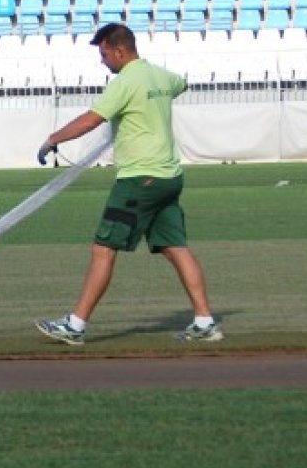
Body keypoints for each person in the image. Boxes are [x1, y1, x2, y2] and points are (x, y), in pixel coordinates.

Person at [33, 23, 221, 346]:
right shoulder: (161, 75)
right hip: (169, 178)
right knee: (176, 248)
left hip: (139, 180)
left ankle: (75, 325)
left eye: (104, 54)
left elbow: (93, 119)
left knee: (103, 249)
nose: (102, 61)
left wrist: (54, 138)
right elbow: (181, 84)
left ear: (120, 50)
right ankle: (205, 322)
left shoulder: (125, 82)